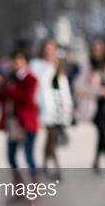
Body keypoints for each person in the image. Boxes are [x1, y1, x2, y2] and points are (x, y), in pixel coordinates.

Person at [0, 43, 40, 189]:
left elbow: (27, 99)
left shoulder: (31, 79)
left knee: (29, 157)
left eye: (18, 60)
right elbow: (2, 100)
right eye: (13, 61)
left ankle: (35, 186)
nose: (15, 64)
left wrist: (9, 89)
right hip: (13, 122)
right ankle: (19, 186)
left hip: (26, 122)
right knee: (11, 157)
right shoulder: (9, 78)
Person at [74, 38, 105, 174]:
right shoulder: (88, 65)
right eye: (95, 50)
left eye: (100, 49)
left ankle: (96, 162)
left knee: (102, 133)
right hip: (94, 105)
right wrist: (96, 89)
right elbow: (78, 86)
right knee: (102, 132)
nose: (97, 52)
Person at [30, 38, 73, 181]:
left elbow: (63, 86)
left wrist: (69, 105)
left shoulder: (58, 66)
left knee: (51, 139)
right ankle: (57, 168)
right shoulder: (37, 65)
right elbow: (39, 85)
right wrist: (50, 66)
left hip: (58, 107)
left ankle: (44, 165)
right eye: (47, 49)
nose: (50, 52)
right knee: (52, 137)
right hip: (44, 107)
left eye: (52, 50)